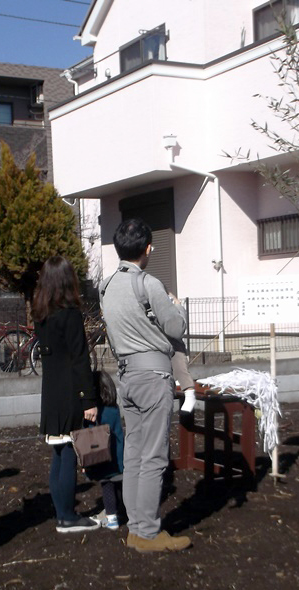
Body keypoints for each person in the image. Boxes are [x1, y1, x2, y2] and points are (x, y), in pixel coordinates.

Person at [100, 218, 192, 552]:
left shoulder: (106, 286)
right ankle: (148, 533)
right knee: (154, 457)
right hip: (153, 376)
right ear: (148, 248)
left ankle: (136, 528)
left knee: (135, 456)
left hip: (126, 377)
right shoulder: (149, 283)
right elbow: (174, 327)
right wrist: (178, 308)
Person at [34, 255, 101, 533]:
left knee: (59, 453)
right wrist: (89, 398)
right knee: (71, 453)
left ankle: (62, 513)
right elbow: (79, 357)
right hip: (70, 391)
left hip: (50, 392)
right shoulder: (70, 313)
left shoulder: (41, 315)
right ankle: (68, 517)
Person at [84, 370, 125, 530]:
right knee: (120, 487)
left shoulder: (96, 414)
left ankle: (112, 518)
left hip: (104, 460)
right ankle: (123, 511)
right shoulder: (114, 409)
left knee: (107, 488)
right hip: (119, 457)